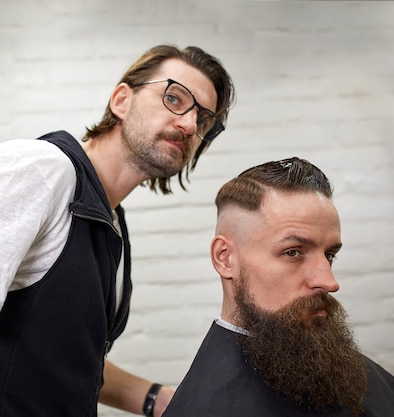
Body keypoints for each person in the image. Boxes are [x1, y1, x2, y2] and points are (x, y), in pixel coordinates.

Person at [0, 44, 235, 417]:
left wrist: (154, 398)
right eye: (174, 98)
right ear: (122, 100)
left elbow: (60, 361)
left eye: (203, 120)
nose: (188, 124)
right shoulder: (42, 170)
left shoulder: (109, 219)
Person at [163, 157, 394, 417]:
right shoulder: (204, 407)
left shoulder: (341, 367)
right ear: (225, 258)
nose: (329, 282)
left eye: (329, 255)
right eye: (293, 252)